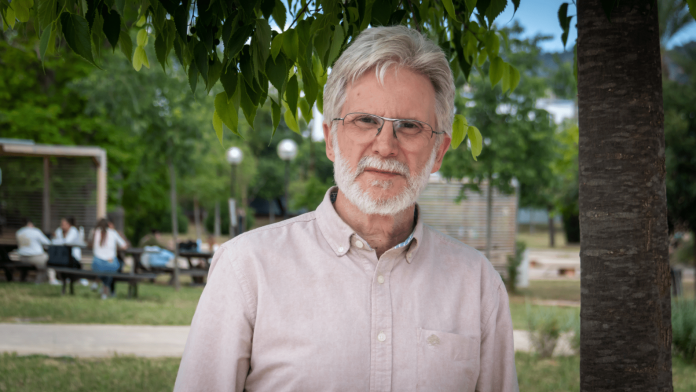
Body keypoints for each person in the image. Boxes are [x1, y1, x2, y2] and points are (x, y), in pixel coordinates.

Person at [175, 26, 518, 391]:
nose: (385, 146)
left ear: (439, 152)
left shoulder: (478, 284)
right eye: (365, 121)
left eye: (410, 126)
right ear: (330, 140)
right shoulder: (246, 269)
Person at [16, 218, 60, 285]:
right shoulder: (35, 231)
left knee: (42, 265)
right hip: (35, 257)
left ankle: (39, 281)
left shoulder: (18, 232)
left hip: (22, 258)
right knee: (50, 260)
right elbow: (48, 243)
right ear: (30, 224)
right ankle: (52, 279)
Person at [91, 218, 126, 299]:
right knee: (111, 270)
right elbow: (124, 246)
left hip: (96, 263)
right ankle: (105, 292)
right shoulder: (113, 233)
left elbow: (90, 245)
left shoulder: (95, 232)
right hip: (110, 262)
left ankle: (97, 281)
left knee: (105, 269)